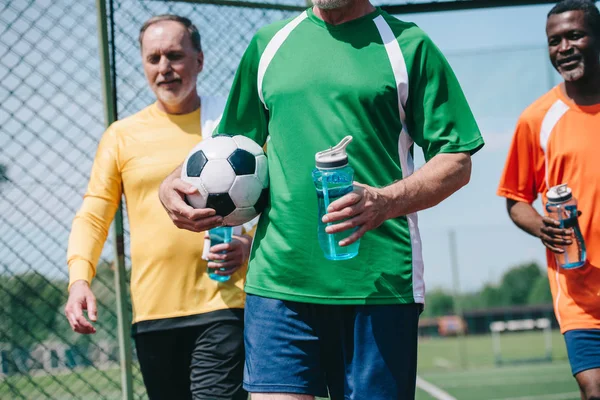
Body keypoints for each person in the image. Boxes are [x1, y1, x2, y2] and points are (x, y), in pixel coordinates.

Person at [158, 0, 484, 398]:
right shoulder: (268, 45)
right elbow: (225, 149)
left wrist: (387, 200)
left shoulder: (407, 45)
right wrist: (169, 185)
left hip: (377, 286)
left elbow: (456, 160)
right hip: (278, 284)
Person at [64, 15, 250, 400]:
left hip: (224, 303)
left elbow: (271, 204)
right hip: (153, 314)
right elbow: (95, 213)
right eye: (154, 59)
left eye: (175, 56)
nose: (165, 68)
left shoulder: (230, 128)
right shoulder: (121, 136)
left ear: (199, 60)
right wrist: (79, 278)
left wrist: (249, 246)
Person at [497, 1, 600, 398]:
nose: (564, 48)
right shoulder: (537, 119)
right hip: (579, 293)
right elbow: (515, 199)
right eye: (554, 41)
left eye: (575, 35)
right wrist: (542, 226)